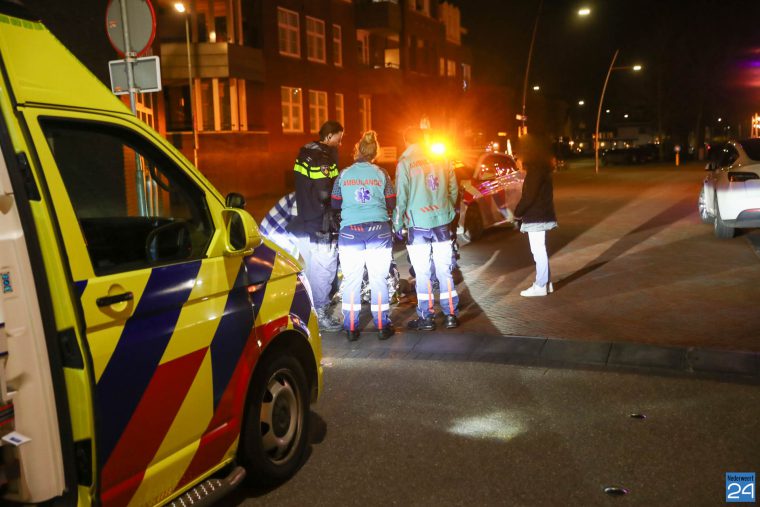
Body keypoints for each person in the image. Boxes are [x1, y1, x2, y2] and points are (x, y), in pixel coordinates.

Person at [331, 131, 396, 341]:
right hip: (379, 231)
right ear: (375, 153)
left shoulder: (344, 174)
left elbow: (335, 203)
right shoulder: (382, 173)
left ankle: (351, 327)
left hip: (350, 233)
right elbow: (391, 201)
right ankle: (382, 326)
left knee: (352, 280)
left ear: (357, 151)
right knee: (379, 278)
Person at [393, 127, 459, 331]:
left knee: (422, 273)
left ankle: (426, 317)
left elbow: (401, 196)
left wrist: (397, 223)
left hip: (418, 224)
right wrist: (447, 210)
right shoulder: (442, 158)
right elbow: (453, 188)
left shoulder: (405, 163)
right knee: (444, 270)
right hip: (441, 222)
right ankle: (451, 315)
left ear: (406, 140)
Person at [287, 120, 344, 331]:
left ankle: (310, 312)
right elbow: (325, 192)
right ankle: (320, 313)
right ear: (329, 136)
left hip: (306, 217)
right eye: (339, 137)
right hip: (322, 220)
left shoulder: (304, 153)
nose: (340, 142)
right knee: (325, 267)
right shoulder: (323, 157)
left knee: (311, 268)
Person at [513, 134, 558, 297]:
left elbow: (529, 197)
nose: (517, 161)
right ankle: (547, 283)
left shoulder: (535, 172)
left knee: (538, 251)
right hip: (542, 215)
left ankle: (541, 285)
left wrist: (517, 213)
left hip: (536, 217)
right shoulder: (542, 170)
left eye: (517, 157)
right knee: (540, 250)